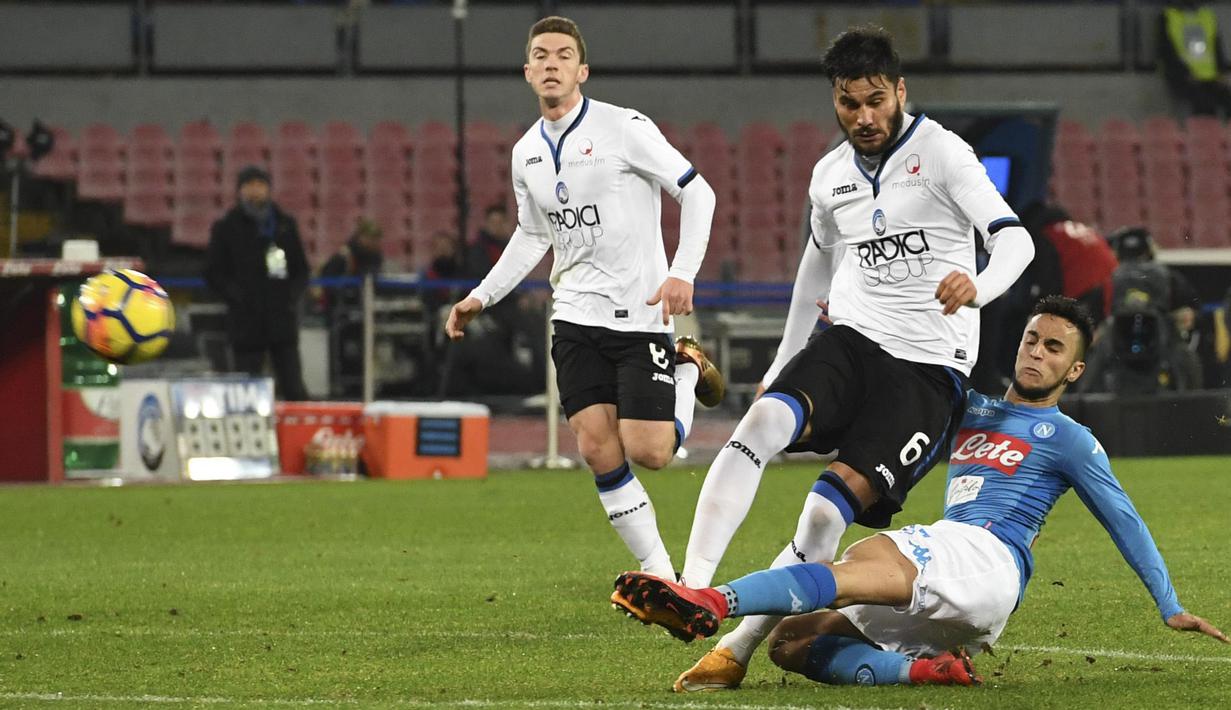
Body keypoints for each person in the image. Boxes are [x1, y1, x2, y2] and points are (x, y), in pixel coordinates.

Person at [658, 25, 1036, 691]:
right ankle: (690, 589)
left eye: (873, 101)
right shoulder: (829, 175)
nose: (862, 117)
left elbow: (1013, 240)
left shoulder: (943, 154)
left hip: (925, 371)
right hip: (851, 342)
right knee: (759, 425)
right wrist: (783, 358)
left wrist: (980, 284)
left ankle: (736, 649)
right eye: (847, 103)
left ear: (898, 91)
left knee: (823, 514)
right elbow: (815, 267)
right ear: (833, 99)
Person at [612, 296, 1228, 689]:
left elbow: (1125, 520)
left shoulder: (1068, 438)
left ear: (1075, 370)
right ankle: (925, 670)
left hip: (987, 556)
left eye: (1053, 349)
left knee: (855, 562)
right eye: (1031, 341)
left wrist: (1168, 604)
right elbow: (896, 391)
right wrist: (852, 322)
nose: (1036, 353)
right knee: (793, 643)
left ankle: (712, 603)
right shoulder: (967, 407)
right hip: (968, 603)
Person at [444, 16, 724, 578]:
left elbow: (698, 193)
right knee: (597, 448)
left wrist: (682, 272)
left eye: (563, 55)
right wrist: (481, 296)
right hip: (574, 316)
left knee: (651, 452)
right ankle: (663, 577)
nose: (552, 63)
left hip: (640, 314)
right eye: (541, 55)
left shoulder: (625, 128)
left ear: (582, 70)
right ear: (527, 73)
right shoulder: (525, 153)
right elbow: (532, 235)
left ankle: (686, 367)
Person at [205, 164, 309, 401]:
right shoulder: (226, 227)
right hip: (246, 323)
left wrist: (289, 297)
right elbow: (213, 272)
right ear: (240, 191)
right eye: (249, 185)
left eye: (260, 185)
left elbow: (301, 270)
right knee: (246, 389)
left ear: (269, 189)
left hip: (281, 320)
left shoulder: (285, 226)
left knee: (293, 386)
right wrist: (237, 297)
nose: (255, 191)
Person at [1158, 1, 1231, 118]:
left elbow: (1216, 46)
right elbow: (1166, 51)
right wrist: (1185, 73)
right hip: (1183, 76)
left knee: (1227, 99)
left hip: (1210, 75)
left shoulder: (1207, 16)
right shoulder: (1168, 16)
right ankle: (1205, 134)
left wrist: (1222, 72)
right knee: (1204, 104)